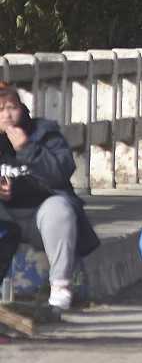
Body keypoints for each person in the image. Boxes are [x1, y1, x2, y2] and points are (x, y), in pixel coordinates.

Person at [0, 82, 100, 311]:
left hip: (39, 213)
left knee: (60, 208)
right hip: (6, 215)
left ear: (22, 107)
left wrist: (27, 148)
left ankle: (60, 286)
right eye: (1, 109)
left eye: (12, 107)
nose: (7, 114)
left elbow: (61, 173)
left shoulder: (44, 132)